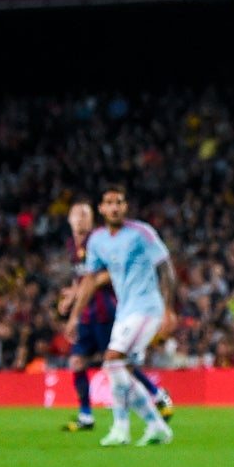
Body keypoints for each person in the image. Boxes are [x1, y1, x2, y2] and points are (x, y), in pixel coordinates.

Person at [64, 185, 178, 447]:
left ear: (125, 207)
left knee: (113, 359)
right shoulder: (97, 241)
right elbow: (90, 280)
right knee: (119, 367)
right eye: (109, 203)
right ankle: (156, 425)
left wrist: (169, 309)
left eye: (119, 202)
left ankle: (121, 428)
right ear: (102, 209)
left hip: (148, 307)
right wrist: (74, 316)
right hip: (125, 310)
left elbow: (166, 268)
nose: (115, 207)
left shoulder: (141, 233)